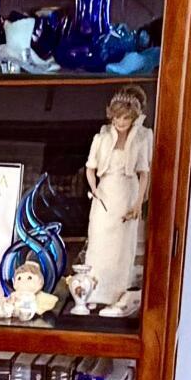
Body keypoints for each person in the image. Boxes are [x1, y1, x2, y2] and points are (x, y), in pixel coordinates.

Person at [74, 87, 154, 315]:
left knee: (122, 247)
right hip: (105, 193)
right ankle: (92, 292)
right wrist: (95, 190)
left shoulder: (140, 140)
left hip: (127, 193)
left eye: (126, 118)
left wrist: (138, 203)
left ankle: (116, 295)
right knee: (99, 241)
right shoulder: (101, 138)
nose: (120, 122)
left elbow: (144, 173)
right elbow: (90, 168)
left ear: (133, 118)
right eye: (117, 117)